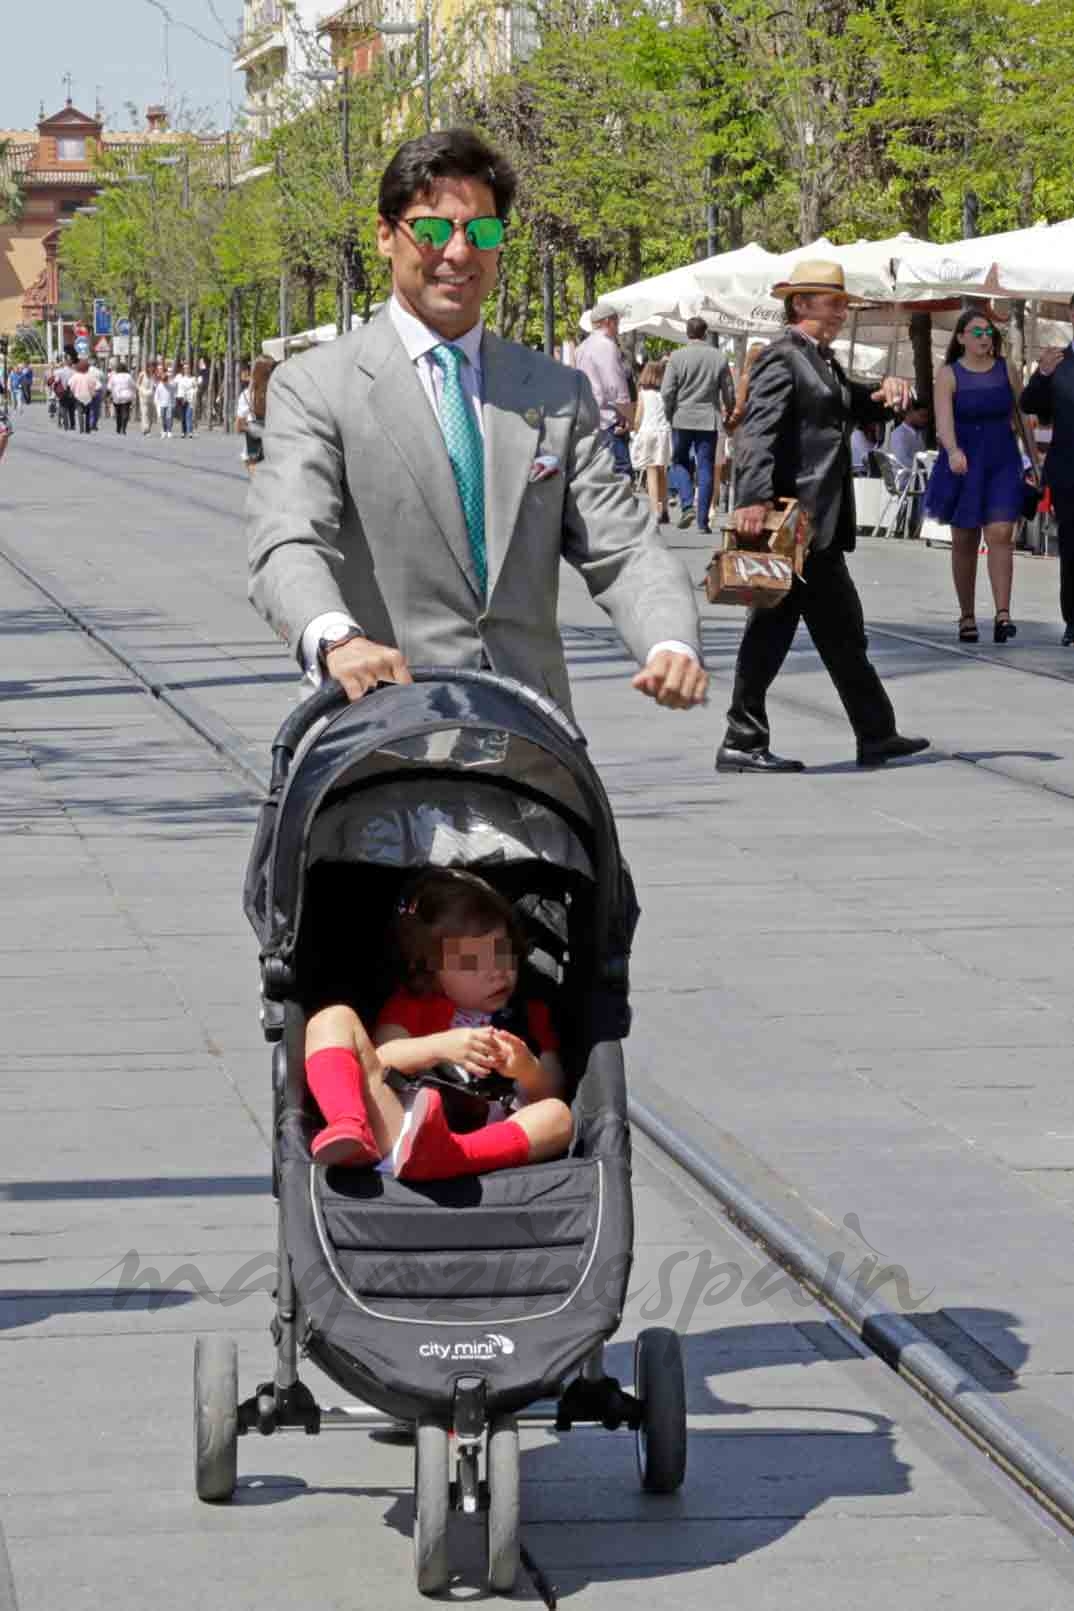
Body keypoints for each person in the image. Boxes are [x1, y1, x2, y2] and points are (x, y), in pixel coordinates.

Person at [247, 127, 706, 718]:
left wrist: (669, 642)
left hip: (528, 736)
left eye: (481, 232)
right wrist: (338, 638)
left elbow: (623, 545)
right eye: (433, 230)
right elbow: (287, 539)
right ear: (387, 235)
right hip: (382, 728)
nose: (458, 253)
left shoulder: (554, 392)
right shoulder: (316, 385)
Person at [718, 260, 929, 773]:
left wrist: (888, 393)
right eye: (831, 302)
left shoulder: (821, 361)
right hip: (792, 524)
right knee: (772, 632)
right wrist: (752, 498)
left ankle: (876, 733)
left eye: (842, 303)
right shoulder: (780, 358)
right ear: (801, 304)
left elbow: (854, 403)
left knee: (843, 634)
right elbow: (758, 430)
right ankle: (742, 740)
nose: (840, 311)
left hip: (820, 526)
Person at [305, 869, 573, 1180]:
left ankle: (453, 1156)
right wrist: (439, 1046)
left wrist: (527, 1068)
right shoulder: (417, 1006)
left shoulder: (528, 1014)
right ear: (432, 970)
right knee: (331, 1018)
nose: (497, 972)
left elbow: (553, 1090)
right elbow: (381, 1058)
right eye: (473, 962)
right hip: (395, 1126)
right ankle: (348, 1123)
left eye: (504, 954)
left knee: (558, 1116)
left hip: (485, 1137)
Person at [924, 312, 1023, 644]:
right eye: (977, 331)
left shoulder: (1006, 369)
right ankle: (967, 615)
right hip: (964, 460)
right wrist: (952, 450)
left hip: (1002, 458)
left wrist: (1035, 464)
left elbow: (1020, 415)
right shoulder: (949, 374)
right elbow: (943, 421)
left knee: (1001, 532)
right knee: (965, 539)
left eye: (989, 331)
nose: (985, 337)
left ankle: (1003, 614)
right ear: (962, 337)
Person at [1021, 299, 1074, 644]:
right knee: (1072, 548)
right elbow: (1029, 405)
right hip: (1070, 470)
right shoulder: (1058, 362)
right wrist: (1041, 375)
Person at [661, 316, 733, 534]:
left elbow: (666, 391)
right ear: (705, 333)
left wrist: (669, 412)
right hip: (707, 419)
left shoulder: (677, 357)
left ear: (687, 333)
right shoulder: (718, 357)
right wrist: (729, 410)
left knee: (680, 461)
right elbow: (728, 391)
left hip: (681, 417)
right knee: (705, 468)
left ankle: (686, 505)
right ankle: (703, 522)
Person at [575, 302, 634, 478]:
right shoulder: (606, 345)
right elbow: (615, 388)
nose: (618, 328)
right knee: (620, 479)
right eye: (617, 322)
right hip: (609, 423)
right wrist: (631, 419)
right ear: (608, 321)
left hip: (589, 422)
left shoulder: (582, 348)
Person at [630, 358, 673, 522]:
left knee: (651, 471)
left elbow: (639, 415)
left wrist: (634, 428)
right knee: (662, 471)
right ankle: (665, 507)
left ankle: (655, 509)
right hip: (663, 432)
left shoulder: (643, 394)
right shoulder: (665, 395)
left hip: (648, 432)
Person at [241, 355, 276, 474]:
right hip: (275, 433)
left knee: (253, 463)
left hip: (254, 431)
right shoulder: (278, 391)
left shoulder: (247, 394)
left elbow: (239, 425)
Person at [68, 358, 99, 434]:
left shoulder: (75, 376)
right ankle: (87, 429)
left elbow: (70, 385)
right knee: (88, 412)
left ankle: (81, 428)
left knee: (80, 412)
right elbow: (94, 386)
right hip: (88, 396)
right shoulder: (90, 376)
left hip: (78, 396)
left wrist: (72, 391)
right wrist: (92, 393)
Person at [108, 362, 136, 435]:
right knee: (125, 412)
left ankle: (118, 428)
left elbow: (109, 387)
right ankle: (123, 429)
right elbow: (133, 385)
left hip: (116, 396)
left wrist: (109, 394)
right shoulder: (128, 376)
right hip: (127, 396)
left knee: (118, 413)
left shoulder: (114, 376)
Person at [174, 361, 198, 438]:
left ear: (190, 369)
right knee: (183, 417)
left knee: (189, 416)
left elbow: (196, 387)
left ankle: (190, 432)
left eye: (187, 368)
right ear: (183, 369)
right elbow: (173, 384)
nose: (186, 370)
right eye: (185, 368)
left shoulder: (193, 378)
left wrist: (193, 393)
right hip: (181, 399)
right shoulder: (179, 378)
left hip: (190, 399)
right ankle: (183, 432)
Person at [154, 364, 176, 438]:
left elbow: (174, 389)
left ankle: (169, 431)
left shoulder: (171, 384)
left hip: (170, 403)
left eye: (165, 379)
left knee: (169, 418)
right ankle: (164, 430)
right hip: (162, 404)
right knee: (163, 418)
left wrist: (169, 380)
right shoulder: (159, 385)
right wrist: (156, 402)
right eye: (163, 379)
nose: (164, 381)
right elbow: (157, 395)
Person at [137, 365, 156, 435]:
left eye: (152, 367)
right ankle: (145, 428)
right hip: (143, 396)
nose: (151, 368)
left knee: (151, 413)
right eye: (150, 367)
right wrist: (141, 391)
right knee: (145, 412)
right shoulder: (142, 374)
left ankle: (149, 428)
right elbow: (138, 384)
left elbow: (155, 384)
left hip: (151, 396)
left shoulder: (154, 375)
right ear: (147, 367)